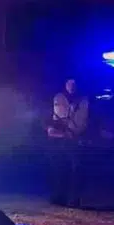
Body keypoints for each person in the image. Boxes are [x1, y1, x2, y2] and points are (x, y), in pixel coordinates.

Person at [47, 78, 89, 206]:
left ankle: (74, 198)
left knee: (75, 170)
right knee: (59, 168)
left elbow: (85, 119)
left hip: (75, 140)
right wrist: (53, 129)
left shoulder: (83, 100)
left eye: (74, 84)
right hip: (58, 138)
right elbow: (51, 116)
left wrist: (76, 132)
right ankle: (59, 196)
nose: (72, 86)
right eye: (69, 83)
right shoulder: (58, 98)